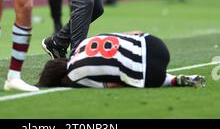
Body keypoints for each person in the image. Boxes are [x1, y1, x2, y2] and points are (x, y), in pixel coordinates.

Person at [38, 31, 205, 89]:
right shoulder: (82, 43)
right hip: (156, 44)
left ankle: (172, 80)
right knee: (132, 62)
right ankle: (171, 78)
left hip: (152, 75)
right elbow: (129, 33)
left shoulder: (74, 77)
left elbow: (112, 85)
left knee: (130, 75)